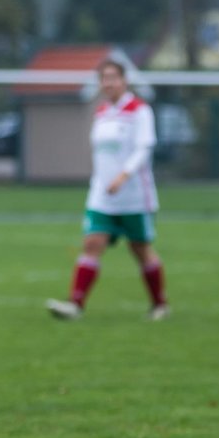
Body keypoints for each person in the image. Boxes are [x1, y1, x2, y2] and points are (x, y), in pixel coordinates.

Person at [46, 58, 169, 321]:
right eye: (104, 78)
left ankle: (159, 304)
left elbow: (144, 148)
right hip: (102, 196)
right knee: (92, 243)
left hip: (134, 195)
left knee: (140, 249)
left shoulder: (139, 110)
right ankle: (75, 305)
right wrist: (102, 181)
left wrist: (123, 175)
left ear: (124, 81)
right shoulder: (101, 113)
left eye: (113, 77)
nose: (109, 83)